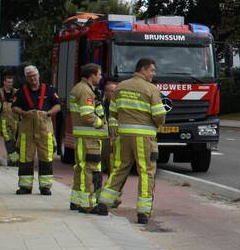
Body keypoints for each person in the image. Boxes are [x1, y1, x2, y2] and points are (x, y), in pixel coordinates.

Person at [98, 58, 167, 224]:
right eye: (152, 70)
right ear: (142, 69)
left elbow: (113, 112)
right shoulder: (151, 89)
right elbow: (159, 116)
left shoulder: (120, 87)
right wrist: (160, 120)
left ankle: (104, 203)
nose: (153, 74)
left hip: (123, 137)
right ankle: (143, 213)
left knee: (120, 168)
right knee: (146, 172)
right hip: (144, 138)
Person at [12, 65, 61, 195]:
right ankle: (25, 187)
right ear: (26, 78)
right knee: (25, 157)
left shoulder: (49, 90)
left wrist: (49, 113)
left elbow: (58, 105)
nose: (33, 78)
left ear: (38, 75)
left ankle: (45, 187)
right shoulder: (21, 91)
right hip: (27, 129)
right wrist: (23, 112)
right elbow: (14, 107)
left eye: (34, 75)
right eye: (29, 77)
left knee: (46, 157)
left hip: (45, 128)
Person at [68, 64, 108, 215]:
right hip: (89, 137)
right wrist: (101, 123)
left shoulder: (80, 88)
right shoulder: (85, 91)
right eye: (99, 74)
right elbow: (87, 115)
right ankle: (88, 204)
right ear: (91, 75)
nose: (101, 77)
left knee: (80, 168)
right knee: (89, 169)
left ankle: (76, 200)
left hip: (83, 137)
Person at [0, 73, 20, 165]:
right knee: (9, 142)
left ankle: (11, 162)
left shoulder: (16, 92)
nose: (10, 84)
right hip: (4, 122)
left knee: (15, 143)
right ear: (4, 82)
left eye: (11, 82)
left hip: (16, 121)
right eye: (8, 82)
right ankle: (15, 161)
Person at [100, 79, 119, 174]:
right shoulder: (100, 105)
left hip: (115, 139)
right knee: (100, 167)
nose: (113, 93)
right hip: (102, 139)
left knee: (113, 166)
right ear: (106, 92)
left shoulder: (119, 106)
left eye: (115, 91)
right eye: (111, 91)